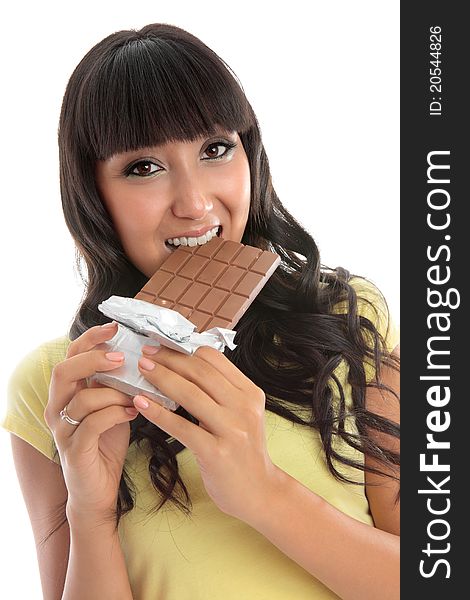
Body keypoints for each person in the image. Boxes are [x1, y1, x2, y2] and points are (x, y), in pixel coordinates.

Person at [1, 23, 400, 600]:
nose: (194, 203)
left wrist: (262, 492)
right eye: (143, 166)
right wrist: (91, 512)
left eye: (215, 150)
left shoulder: (345, 318)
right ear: (93, 193)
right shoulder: (58, 383)